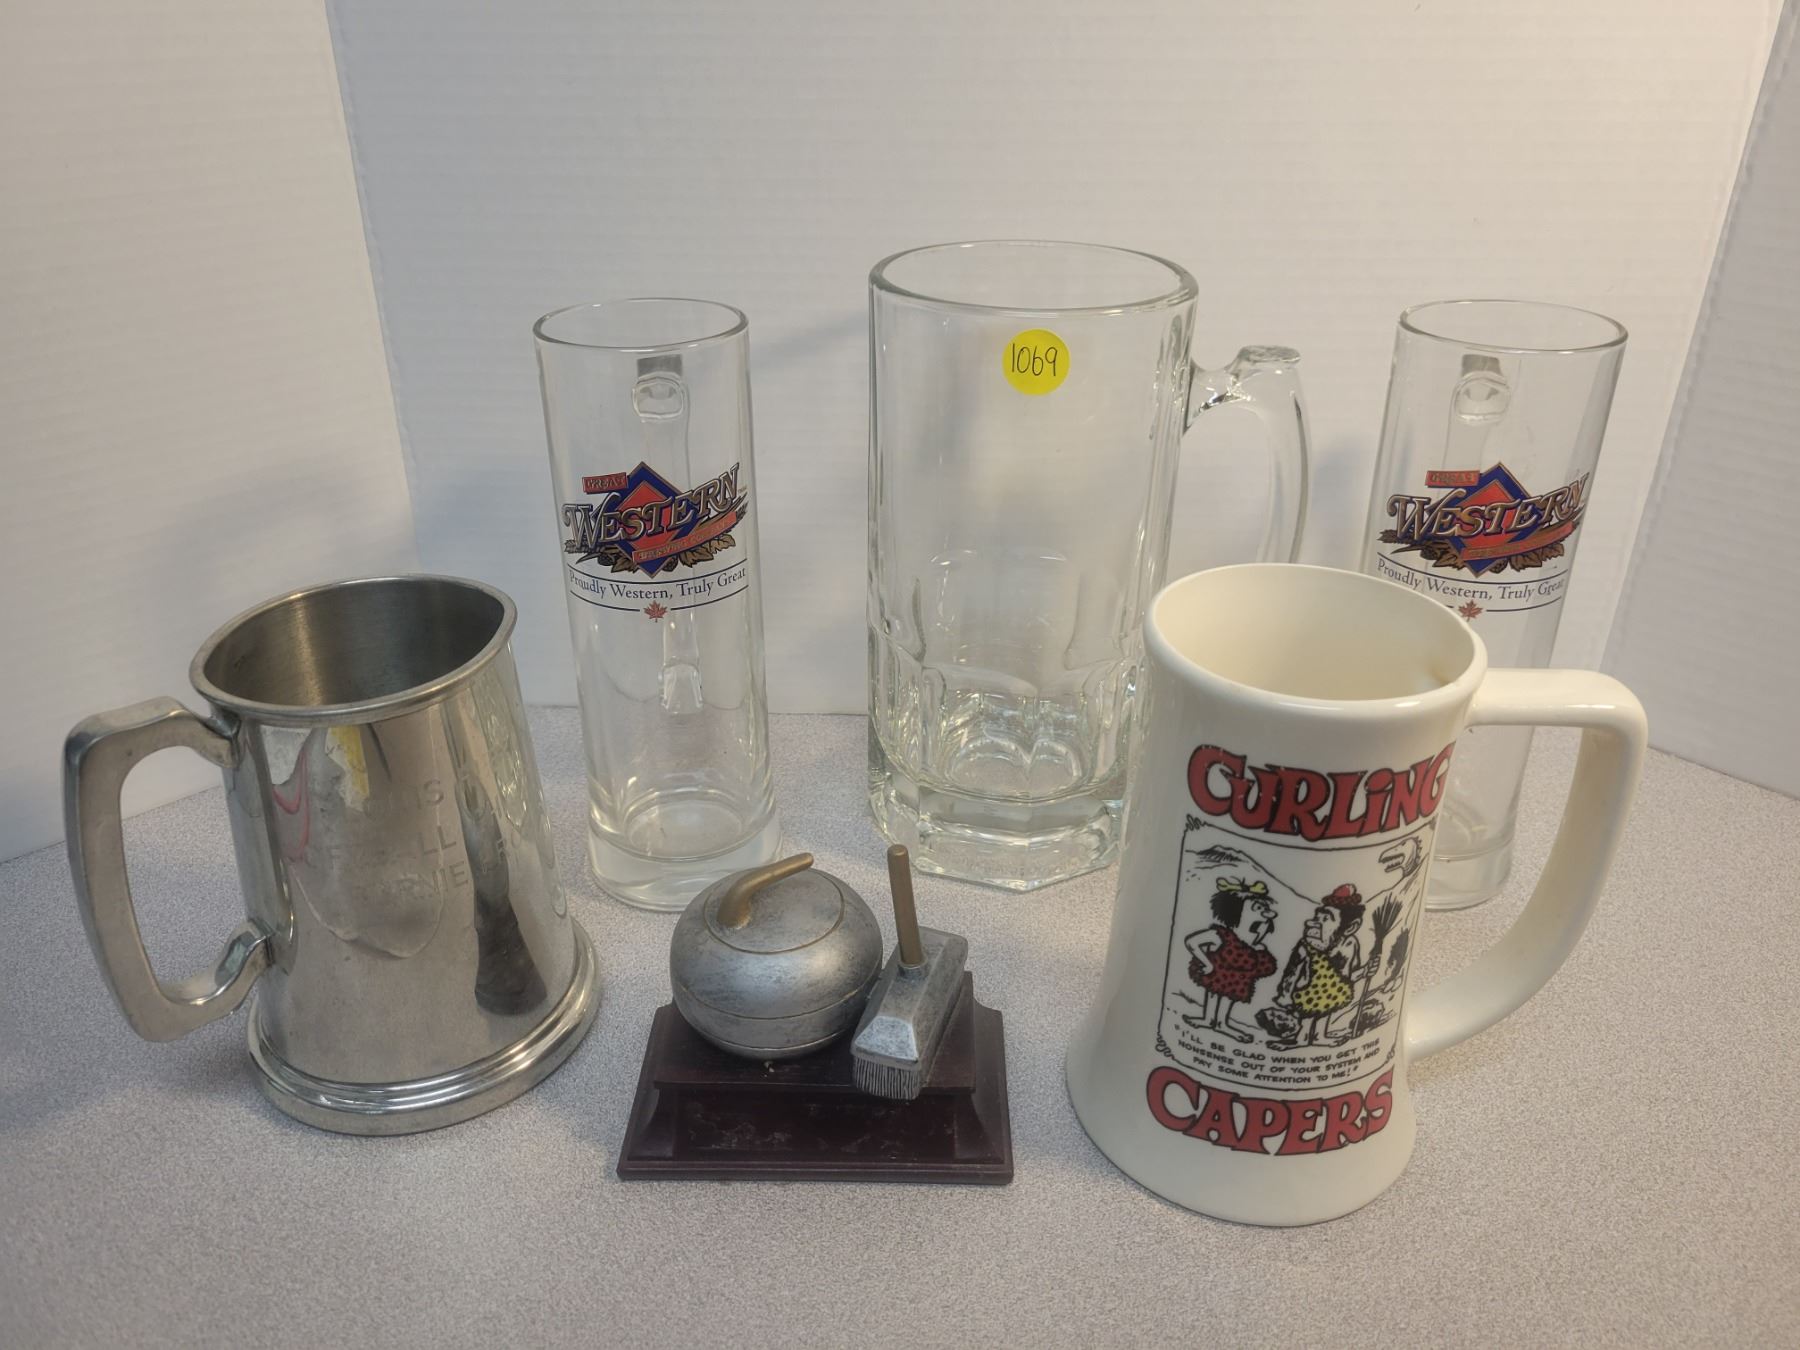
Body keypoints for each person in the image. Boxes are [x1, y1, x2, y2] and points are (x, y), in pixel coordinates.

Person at [1265, 884, 1367, 1049]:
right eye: (1317, 917)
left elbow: (1348, 975)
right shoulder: (1306, 945)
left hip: (1333, 991)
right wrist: (1285, 995)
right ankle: (1301, 1039)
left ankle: (1320, 1035)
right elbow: (1292, 971)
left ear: (1350, 927)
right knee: (1308, 1013)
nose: (1312, 923)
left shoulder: (1350, 944)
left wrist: (1366, 971)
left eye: (1325, 919)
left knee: (1327, 1007)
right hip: (1308, 991)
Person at [1182, 878, 1278, 1043]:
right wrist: (1207, 964)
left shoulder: (1254, 940)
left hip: (1235, 981)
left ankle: (1221, 1023)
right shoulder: (1221, 935)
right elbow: (1192, 942)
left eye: (1264, 907)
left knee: (1227, 996)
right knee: (1214, 993)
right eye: (1257, 907)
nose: (1265, 911)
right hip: (1218, 973)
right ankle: (1208, 1020)